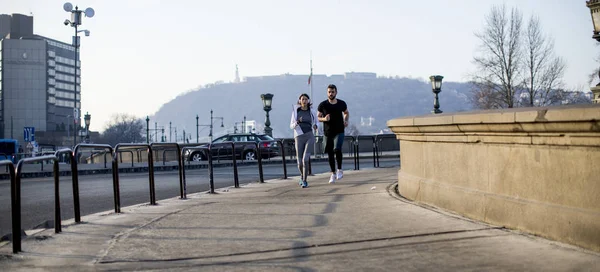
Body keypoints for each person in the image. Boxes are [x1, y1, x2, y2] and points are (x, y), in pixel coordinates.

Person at [317, 84, 349, 184]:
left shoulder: (341, 103)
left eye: (333, 92)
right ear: (327, 93)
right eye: (329, 92)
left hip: (339, 130)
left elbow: (346, 112)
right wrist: (324, 119)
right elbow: (318, 117)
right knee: (330, 152)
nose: (331, 93)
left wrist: (346, 120)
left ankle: (339, 169)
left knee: (337, 149)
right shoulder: (323, 105)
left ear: (336, 92)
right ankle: (333, 173)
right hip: (328, 132)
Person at [290, 93, 318, 188]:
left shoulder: (312, 111)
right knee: (299, 162)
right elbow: (291, 126)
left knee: (305, 159)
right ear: (300, 101)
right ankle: (302, 176)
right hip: (299, 136)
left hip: (309, 135)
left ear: (308, 101)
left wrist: (316, 126)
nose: (304, 101)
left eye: (306, 99)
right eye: (303, 99)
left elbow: (316, 122)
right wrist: (298, 122)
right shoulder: (296, 111)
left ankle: (305, 180)